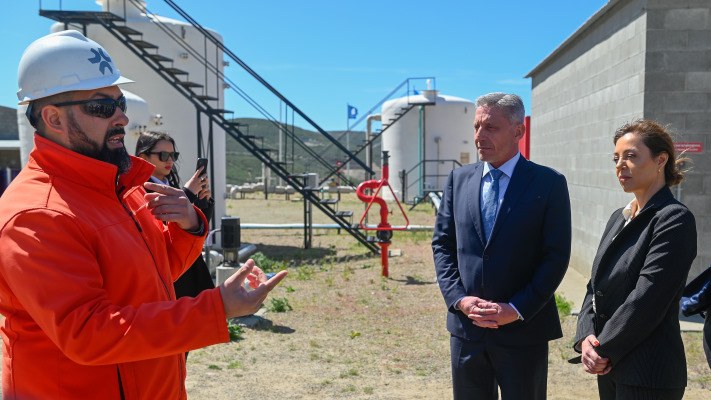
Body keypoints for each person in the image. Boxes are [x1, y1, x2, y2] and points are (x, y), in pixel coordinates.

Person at [0, 30, 287, 399]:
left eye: (119, 101)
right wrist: (215, 309)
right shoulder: (36, 214)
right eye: (103, 106)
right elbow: (87, 333)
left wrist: (188, 225)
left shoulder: (121, 188)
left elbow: (154, 275)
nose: (122, 116)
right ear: (54, 118)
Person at [432, 92, 572, 400]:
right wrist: (459, 300)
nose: (479, 136)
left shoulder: (548, 183)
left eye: (491, 127)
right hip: (467, 330)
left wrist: (517, 308)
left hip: (523, 331)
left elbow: (556, 256)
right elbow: (443, 245)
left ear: (518, 132)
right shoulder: (458, 179)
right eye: (477, 126)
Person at [574, 119, 696, 400]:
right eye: (616, 158)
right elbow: (595, 286)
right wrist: (586, 337)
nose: (620, 165)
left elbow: (649, 297)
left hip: (648, 372)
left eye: (630, 156)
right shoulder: (619, 217)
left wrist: (602, 348)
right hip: (609, 365)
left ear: (660, 160)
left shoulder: (673, 218)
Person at [136, 131, 215, 300]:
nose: (170, 160)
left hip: (189, 266)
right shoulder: (137, 190)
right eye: (164, 155)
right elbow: (160, 226)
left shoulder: (172, 186)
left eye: (173, 155)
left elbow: (193, 231)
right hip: (170, 275)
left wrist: (202, 201)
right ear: (144, 157)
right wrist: (188, 195)